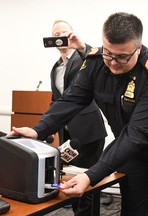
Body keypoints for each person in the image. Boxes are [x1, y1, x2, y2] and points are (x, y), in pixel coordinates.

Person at [8, 12, 148, 216]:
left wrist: (90, 176)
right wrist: (38, 130)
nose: (112, 62)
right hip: (132, 152)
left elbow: (137, 134)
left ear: (138, 48)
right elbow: (71, 99)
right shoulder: (95, 61)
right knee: (131, 210)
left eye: (122, 57)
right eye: (108, 53)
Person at [49, 20, 107, 215]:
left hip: (89, 131)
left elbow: (98, 58)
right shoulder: (55, 68)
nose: (60, 35)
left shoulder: (84, 59)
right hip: (68, 136)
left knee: (88, 182)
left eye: (64, 32)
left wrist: (81, 47)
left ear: (72, 35)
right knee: (71, 182)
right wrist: (45, 129)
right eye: (56, 33)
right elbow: (56, 101)